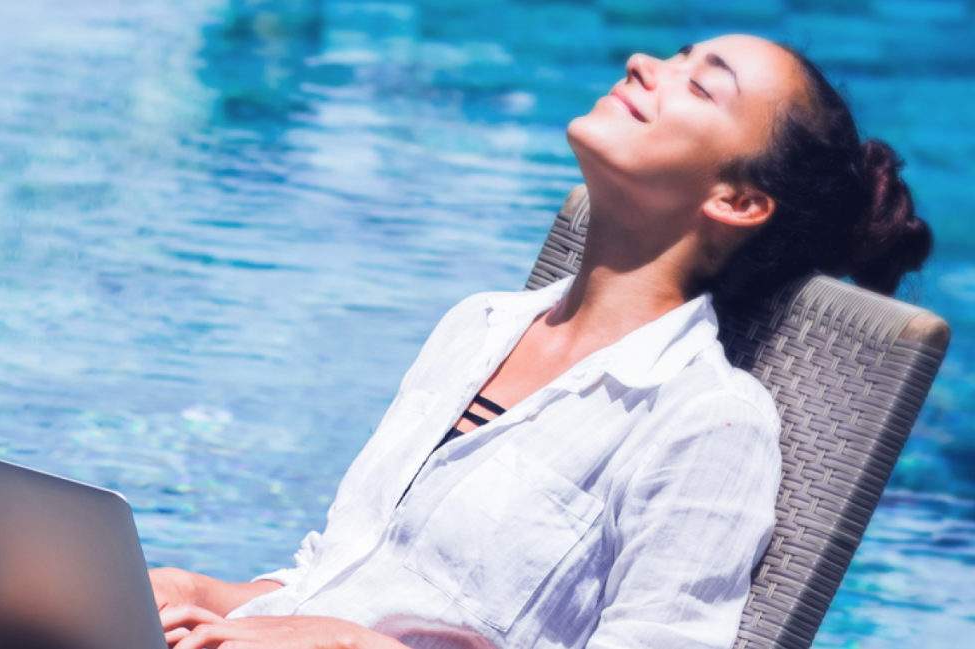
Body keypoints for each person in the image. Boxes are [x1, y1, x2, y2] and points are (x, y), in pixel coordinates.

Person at [150, 33, 934, 649]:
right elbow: (332, 579)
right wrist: (199, 594)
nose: (643, 62)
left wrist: (359, 646)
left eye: (700, 84)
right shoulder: (479, 326)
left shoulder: (706, 419)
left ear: (735, 198)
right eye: (676, 57)